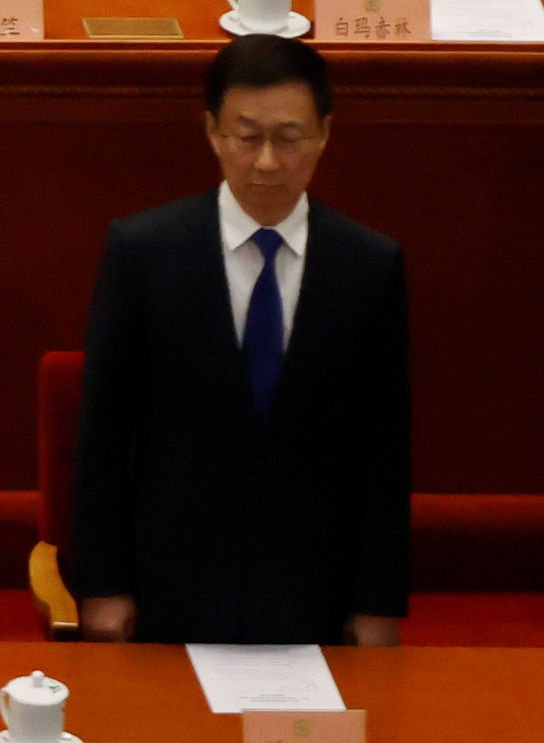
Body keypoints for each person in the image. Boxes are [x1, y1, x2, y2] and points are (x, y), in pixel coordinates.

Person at [66, 42, 413, 645]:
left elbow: (384, 451)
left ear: (326, 134)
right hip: (168, 586)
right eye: (247, 136)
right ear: (212, 131)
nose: (268, 162)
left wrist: (378, 602)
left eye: (290, 136)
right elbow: (102, 434)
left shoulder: (369, 264)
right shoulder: (144, 251)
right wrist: (102, 586)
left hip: (314, 593)